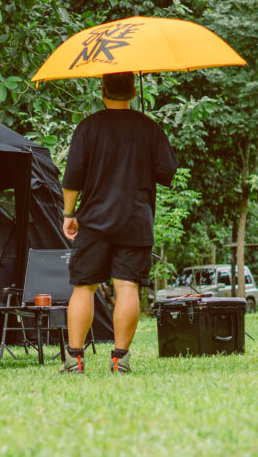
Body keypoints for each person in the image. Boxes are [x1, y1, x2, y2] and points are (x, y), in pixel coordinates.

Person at [59, 71, 177, 373]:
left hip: (94, 220)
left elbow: (72, 178)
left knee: (84, 287)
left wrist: (69, 215)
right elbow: (167, 171)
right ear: (134, 92)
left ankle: (75, 360)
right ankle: (120, 359)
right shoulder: (149, 128)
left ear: (102, 90)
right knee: (127, 286)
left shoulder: (87, 127)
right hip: (135, 220)